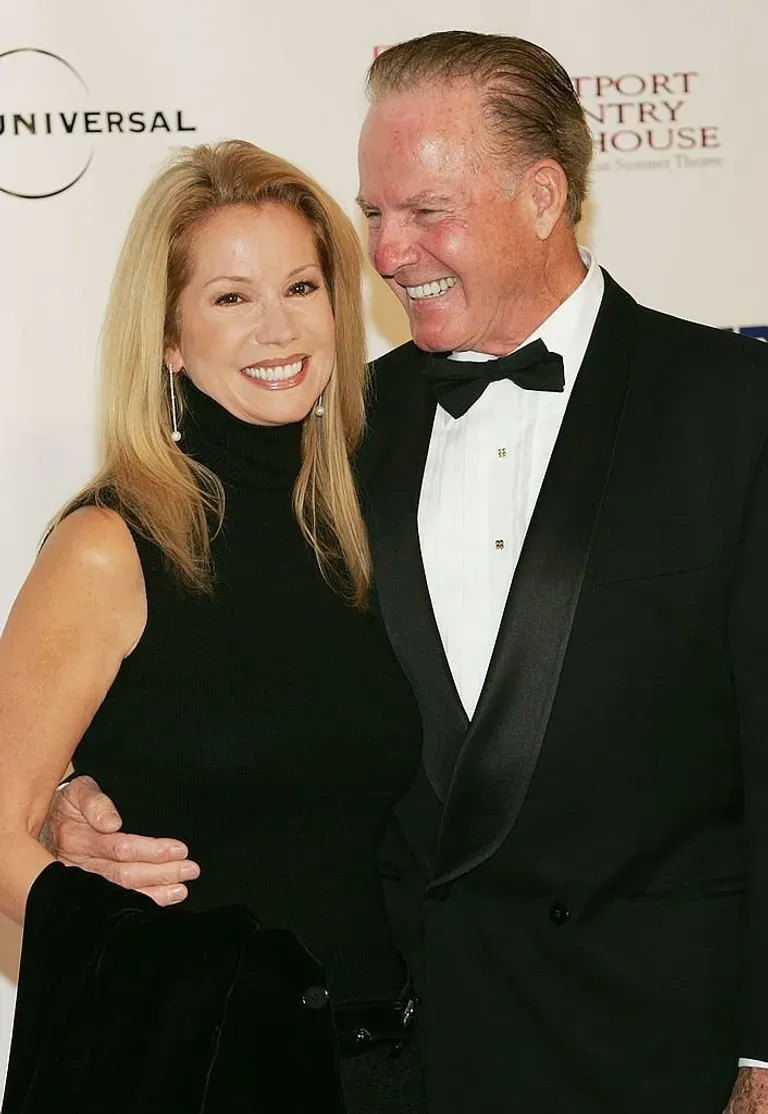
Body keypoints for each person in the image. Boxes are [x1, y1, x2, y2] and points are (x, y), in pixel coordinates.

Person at [44, 30, 768, 1114]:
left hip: (664, 1051)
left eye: (426, 212)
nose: (384, 254)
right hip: (413, 1055)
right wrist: (70, 799)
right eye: (374, 214)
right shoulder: (345, 436)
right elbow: (237, 679)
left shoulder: (731, 404)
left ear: (539, 194)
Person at [0, 139, 426, 1112]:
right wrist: (140, 956)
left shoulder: (365, 522)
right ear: (168, 336)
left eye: (302, 285)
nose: (277, 326)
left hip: (389, 1068)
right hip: (195, 1074)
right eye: (231, 297)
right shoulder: (112, 545)